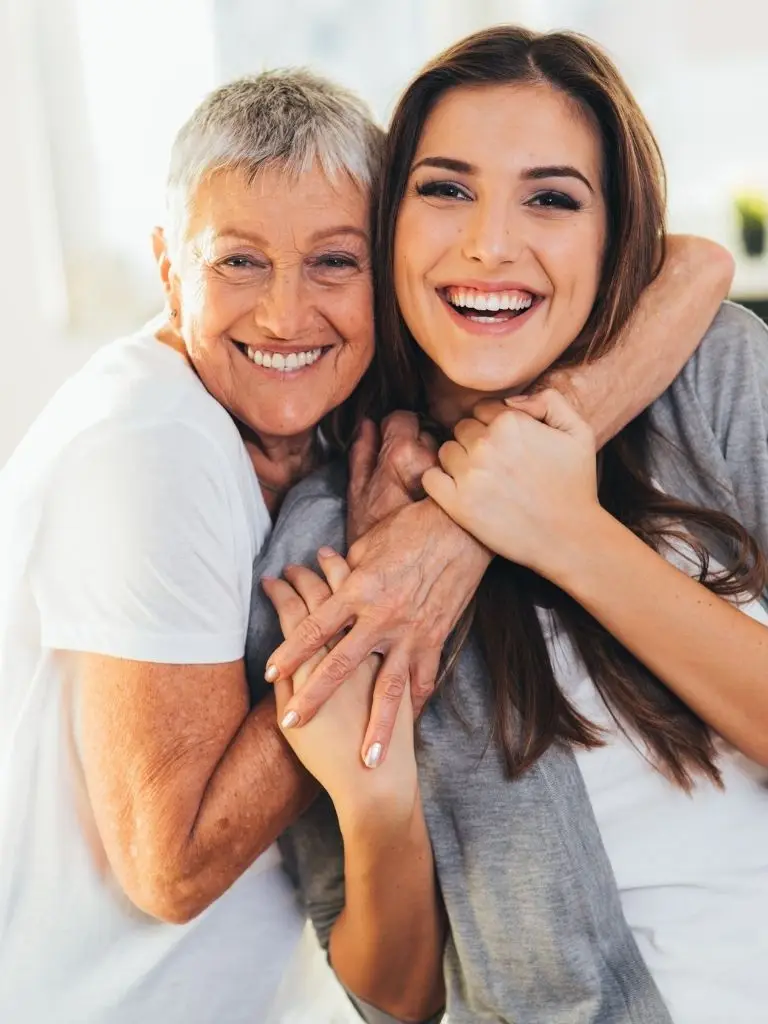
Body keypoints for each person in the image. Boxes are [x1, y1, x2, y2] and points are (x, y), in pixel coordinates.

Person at [0, 67, 731, 1022]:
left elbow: (694, 263)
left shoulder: (325, 449)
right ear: (168, 269)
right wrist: (374, 605)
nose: (285, 316)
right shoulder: (157, 443)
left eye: (334, 262)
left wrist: (456, 524)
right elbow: (170, 867)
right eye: (238, 262)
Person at [256, 27, 768, 1024]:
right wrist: (376, 805)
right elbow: (393, 998)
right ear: (385, 222)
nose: (491, 244)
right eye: (445, 189)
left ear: (616, 230)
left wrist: (562, 531)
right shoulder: (324, 546)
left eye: (551, 197)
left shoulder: (711, 377)